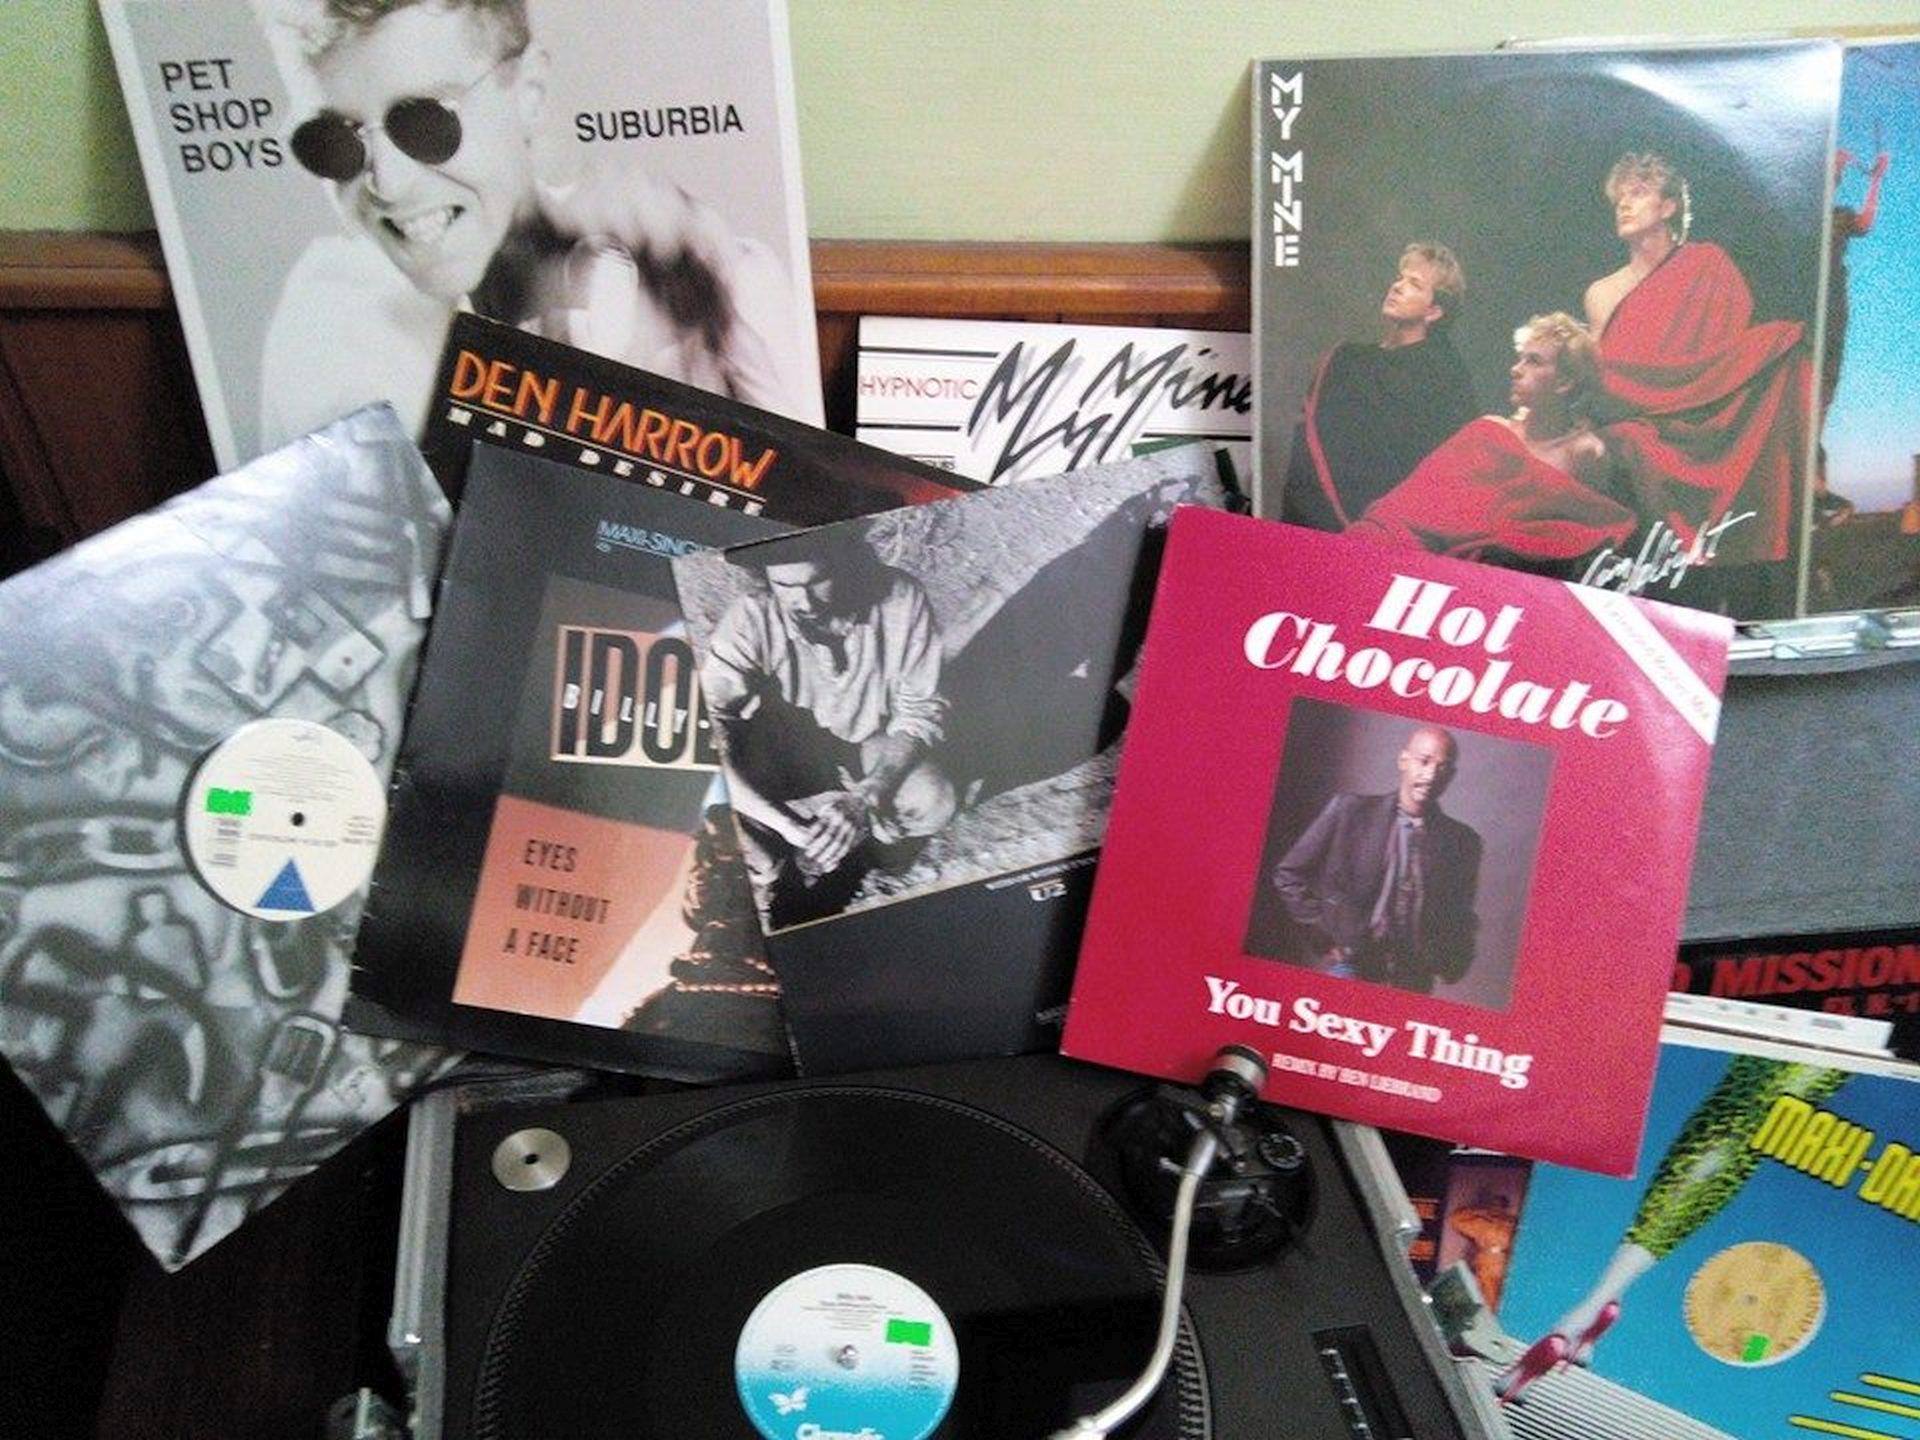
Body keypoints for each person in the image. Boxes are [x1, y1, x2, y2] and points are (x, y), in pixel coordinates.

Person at [260, 0, 811, 447]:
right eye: (329, 142)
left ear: (529, 93)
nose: (388, 182)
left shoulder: (720, 281)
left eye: (426, 123)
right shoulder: (329, 333)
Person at [699, 531, 958, 928]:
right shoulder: (751, 616)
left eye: (817, 581)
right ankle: (779, 866)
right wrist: (788, 828)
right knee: (725, 821)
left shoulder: (900, 597)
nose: (804, 602)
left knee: (933, 798)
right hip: (783, 756)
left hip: (867, 750)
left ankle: (859, 849)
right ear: (766, 578)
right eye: (785, 585)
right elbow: (709, 731)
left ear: (847, 564)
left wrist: (866, 797)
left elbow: (919, 713)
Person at [1581, 152, 1812, 568]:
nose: (1624, 205)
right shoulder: (1602, 292)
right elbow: (1600, 373)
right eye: (1619, 198)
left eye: (1638, 193)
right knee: (1628, 439)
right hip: (1635, 418)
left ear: (1668, 206)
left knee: (1785, 347)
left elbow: (1721, 354)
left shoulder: (1707, 264)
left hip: (1701, 415)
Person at [1348, 313, 1639, 574]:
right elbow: (1411, 505)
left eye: (1533, 361)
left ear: (1565, 382)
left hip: (1490, 576)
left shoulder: (1585, 453)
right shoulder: (1486, 432)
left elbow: (1580, 531)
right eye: (1520, 358)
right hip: (1410, 549)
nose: (1515, 369)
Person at [1269, 724, 1481, 995]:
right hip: (1352, 966)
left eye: (1442, 767)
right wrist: (1323, 935)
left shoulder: (1463, 842)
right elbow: (1289, 874)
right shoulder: (1350, 811)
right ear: (1403, 760)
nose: (1430, 775)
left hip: (1413, 979)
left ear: (1451, 776)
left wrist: (1452, 961)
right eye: (1424, 761)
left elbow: (1461, 915)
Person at [1281, 243, 1480, 530]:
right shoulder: (1346, 360)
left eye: (1414, 284)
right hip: (1320, 524)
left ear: (1434, 311)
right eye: (1400, 278)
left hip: (1400, 534)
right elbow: (1311, 449)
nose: (1397, 287)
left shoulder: (1446, 377)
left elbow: (1449, 468)